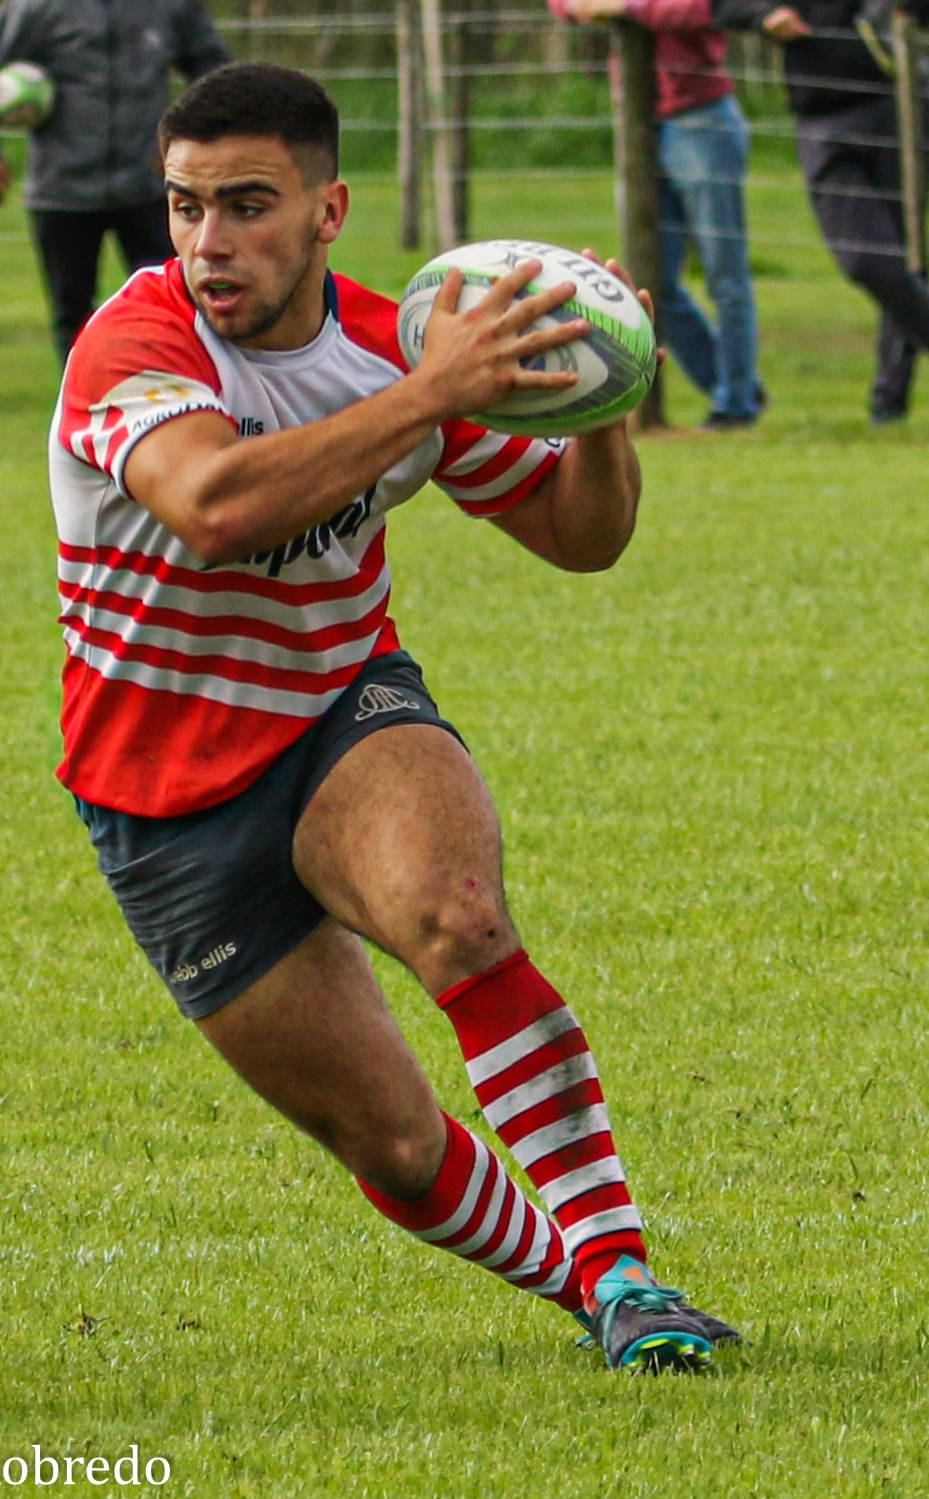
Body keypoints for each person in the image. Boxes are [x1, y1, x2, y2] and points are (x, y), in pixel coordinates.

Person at [48, 60, 739, 1373]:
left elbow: (578, 540)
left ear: (328, 209)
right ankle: (582, 1286)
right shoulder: (132, 346)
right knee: (398, 1142)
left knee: (456, 914)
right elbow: (215, 504)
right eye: (186, 206)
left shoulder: (386, 345)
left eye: (248, 204)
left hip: (338, 715)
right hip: (160, 797)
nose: (209, 242)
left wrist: (595, 401)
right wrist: (437, 391)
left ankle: (626, 1273)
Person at [0, 0, 230, 361]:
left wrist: (186, 138)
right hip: (61, 192)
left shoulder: (169, 5)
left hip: (151, 188)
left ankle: (180, 402)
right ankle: (83, 411)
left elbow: (215, 72)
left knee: (177, 308)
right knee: (73, 319)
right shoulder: (38, 8)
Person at [551, 0, 765, 428]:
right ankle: (734, 385)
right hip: (637, 120)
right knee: (652, 282)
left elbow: (700, 9)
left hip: (701, 118)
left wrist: (624, 6)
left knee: (725, 274)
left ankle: (735, 404)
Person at [713, 0, 929, 423]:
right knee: (868, 261)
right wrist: (766, 15)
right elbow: (722, 5)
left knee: (906, 257)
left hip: (899, 104)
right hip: (821, 116)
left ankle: (888, 403)